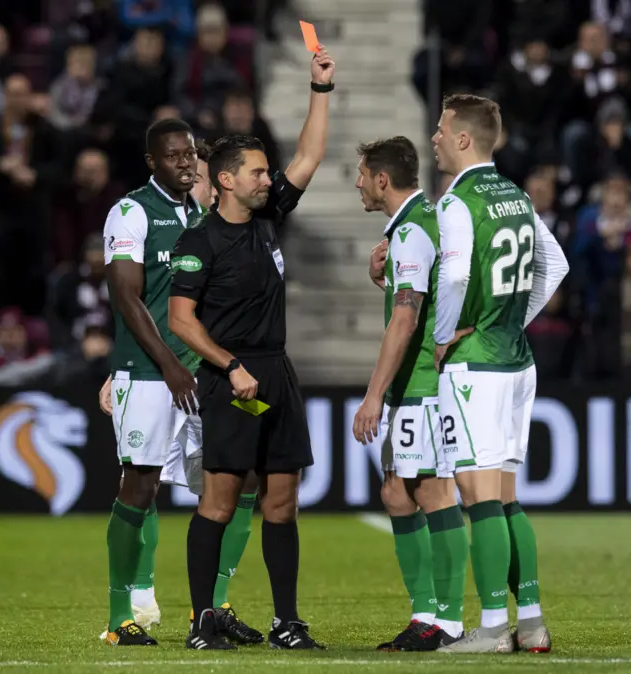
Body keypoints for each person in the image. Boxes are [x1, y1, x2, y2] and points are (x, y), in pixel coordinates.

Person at [168, 45, 335, 651]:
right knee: (219, 499)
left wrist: (320, 90)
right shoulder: (200, 241)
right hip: (231, 379)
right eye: (258, 172)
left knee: (283, 500)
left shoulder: (268, 221)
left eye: (269, 171)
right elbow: (182, 319)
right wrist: (230, 367)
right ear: (226, 179)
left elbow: (312, 154)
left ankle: (286, 622)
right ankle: (202, 618)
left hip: (275, 373)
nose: (270, 179)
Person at [101, 121, 260, 647]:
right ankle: (121, 614)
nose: (186, 163)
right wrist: (169, 365)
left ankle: (212, 607)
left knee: (238, 480)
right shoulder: (130, 212)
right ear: (153, 162)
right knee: (140, 485)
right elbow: (127, 297)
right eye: (174, 156)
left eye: (191, 154)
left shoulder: (199, 215)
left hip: (202, 376)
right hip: (151, 376)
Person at [430, 93, 569, 653]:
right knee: (507, 497)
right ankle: (530, 622)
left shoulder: (457, 201)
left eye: (442, 129)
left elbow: (458, 276)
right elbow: (552, 265)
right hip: (516, 360)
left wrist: (444, 337)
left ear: (465, 139)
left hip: (476, 367)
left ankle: (491, 627)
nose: (435, 136)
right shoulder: (514, 193)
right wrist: (512, 319)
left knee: (479, 496)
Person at [352, 136, 472, 651]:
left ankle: (446, 621)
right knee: (397, 493)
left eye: (362, 174)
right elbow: (416, 300)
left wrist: (373, 395)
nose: (357, 183)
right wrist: (381, 281)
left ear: (383, 179)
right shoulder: (420, 223)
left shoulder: (411, 234)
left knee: (430, 493)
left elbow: (406, 319)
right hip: (417, 383)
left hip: (423, 384)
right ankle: (426, 612)